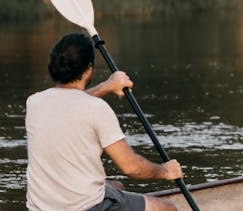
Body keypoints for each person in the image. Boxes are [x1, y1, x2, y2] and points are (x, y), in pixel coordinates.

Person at [27, 33, 184, 211]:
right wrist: (165, 171)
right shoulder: (96, 108)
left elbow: (68, 102)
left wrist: (108, 86)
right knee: (168, 208)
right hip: (86, 208)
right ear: (88, 69)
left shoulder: (34, 102)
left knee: (115, 186)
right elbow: (131, 167)